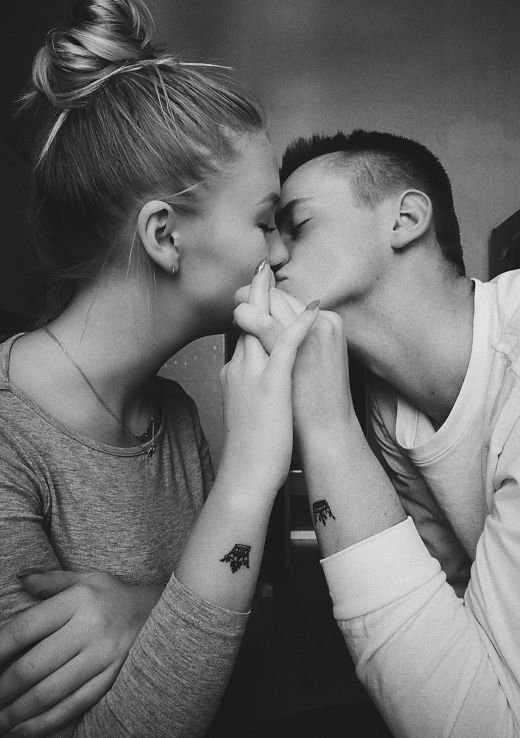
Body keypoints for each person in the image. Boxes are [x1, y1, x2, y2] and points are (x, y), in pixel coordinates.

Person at [0, 1, 320, 735]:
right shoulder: (8, 436)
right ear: (165, 236)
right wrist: (249, 471)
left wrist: (147, 606)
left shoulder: (171, 416)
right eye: (264, 221)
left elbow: (233, 638)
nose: (280, 254)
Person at [234, 128, 520, 737]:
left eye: (298, 225)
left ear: (405, 219)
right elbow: (439, 623)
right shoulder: (390, 408)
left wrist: (327, 424)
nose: (272, 256)